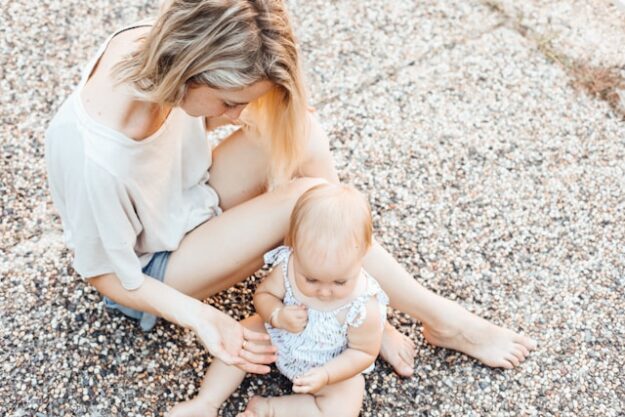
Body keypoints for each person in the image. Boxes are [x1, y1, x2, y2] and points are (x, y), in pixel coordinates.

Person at [45, 0, 536, 384]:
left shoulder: (154, 46)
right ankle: (437, 318)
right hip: (153, 269)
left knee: (300, 130)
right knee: (307, 199)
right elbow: (107, 276)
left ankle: (352, 300)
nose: (235, 116)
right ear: (186, 72)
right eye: (230, 102)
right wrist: (204, 319)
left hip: (186, 200)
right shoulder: (95, 155)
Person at [168, 184, 387, 417]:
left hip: (328, 364)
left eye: (339, 282)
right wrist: (276, 314)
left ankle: (269, 409)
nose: (324, 292)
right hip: (278, 340)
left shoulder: (363, 307)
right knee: (242, 334)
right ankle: (206, 402)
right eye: (311, 280)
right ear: (294, 249)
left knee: (345, 403)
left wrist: (327, 375)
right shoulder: (288, 267)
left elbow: (362, 353)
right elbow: (263, 295)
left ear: (363, 255)